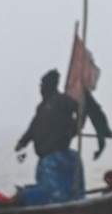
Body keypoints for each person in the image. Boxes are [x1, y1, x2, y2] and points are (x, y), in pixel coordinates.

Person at [13, 69, 85, 206]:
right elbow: (33, 127)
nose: (40, 88)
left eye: (42, 84)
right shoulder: (42, 107)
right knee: (45, 191)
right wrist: (23, 142)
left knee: (57, 195)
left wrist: (75, 129)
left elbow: (82, 110)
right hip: (44, 157)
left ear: (49, 85)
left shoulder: (63, 100)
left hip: (57, 155)